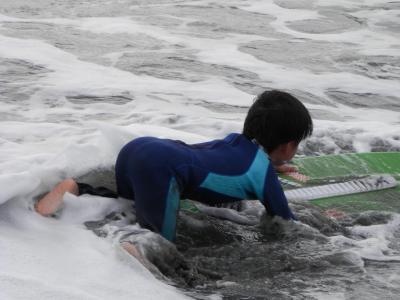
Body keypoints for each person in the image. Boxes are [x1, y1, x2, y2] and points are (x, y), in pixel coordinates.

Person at [36, 90, 313, 243]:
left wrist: (271, 168)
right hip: (162, 168)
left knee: (125, 204)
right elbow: (284, 222)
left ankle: (77, 189)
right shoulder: (262, 173)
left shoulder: (232, 142)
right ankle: (140, 250)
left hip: (138, 150)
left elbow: (220, 164)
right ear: (289, 146)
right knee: (159, 244)